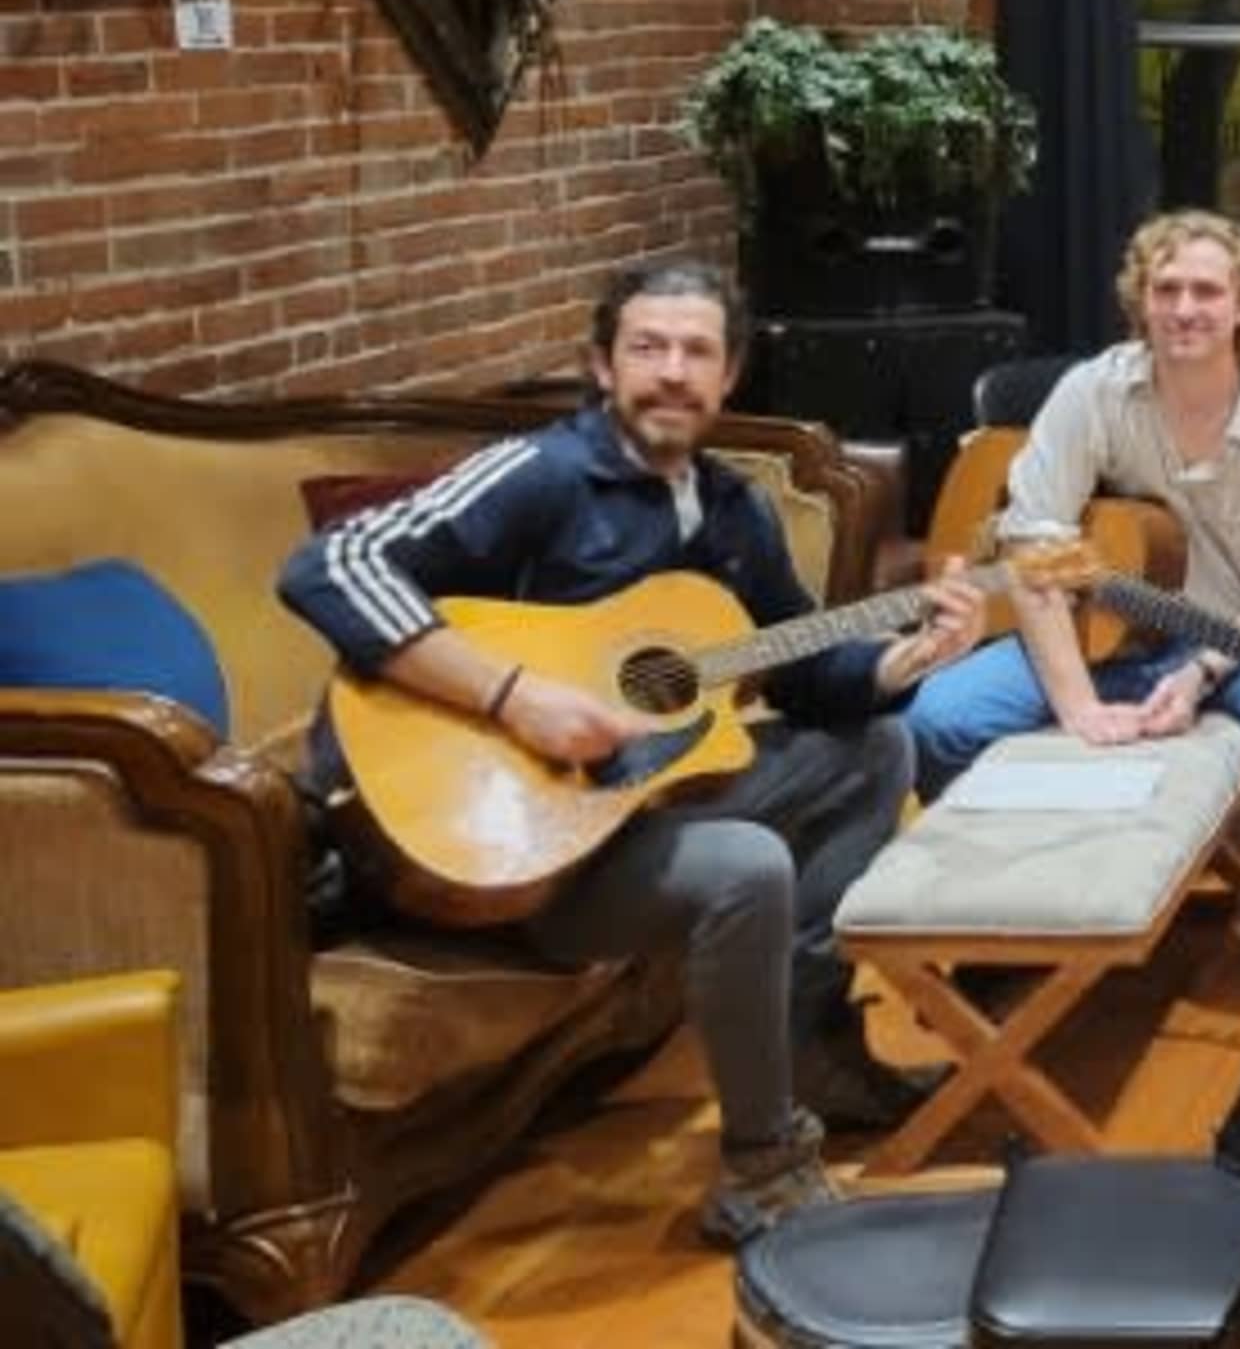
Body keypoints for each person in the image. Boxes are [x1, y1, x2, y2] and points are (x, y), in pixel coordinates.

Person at [276, 258, 986, 1248]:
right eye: (647, 347)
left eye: (697, 350)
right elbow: (331, 562)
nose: (671, 371)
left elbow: (806, 671)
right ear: (601, 364)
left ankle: (812, 1039)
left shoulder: (733, 512)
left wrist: (905, 653)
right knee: (746, 865)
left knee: (876, 744)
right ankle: (761, 1168)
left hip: (621, 811)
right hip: (502, 843)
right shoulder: (543, 474)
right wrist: (517, 697)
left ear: (730, 374)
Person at [900, 209, 1240, 991]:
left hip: (1221, 640)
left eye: (1205, 290)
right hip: (1087, 634)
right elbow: (1032, 544)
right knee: (934, 722)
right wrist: (1076, 701)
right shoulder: (1092, 393)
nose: (1184, 308)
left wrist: (1202, 670)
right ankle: (1003, 918)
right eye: (1166, 288)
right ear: (1141, 300)